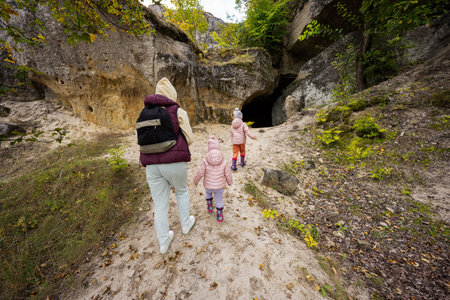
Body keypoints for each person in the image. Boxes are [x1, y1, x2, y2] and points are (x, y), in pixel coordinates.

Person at [139, 77, 196, 254]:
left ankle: (164, 242)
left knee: (160, 204)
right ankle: (185, 224)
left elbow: (139, 140)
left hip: (151, 166)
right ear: (172, 93)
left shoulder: (143, 113)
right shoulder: (177, 110)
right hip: (174, 161)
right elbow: (191, 138)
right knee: (181, 192)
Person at [193, 135, 233, 222]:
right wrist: (229, 182)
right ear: (219, 148)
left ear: (209, 149)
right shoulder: (223, 160)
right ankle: (219, 215)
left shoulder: (205, 160)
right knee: (219, 199)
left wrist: (195, 181)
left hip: (208, 185)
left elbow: (200, 172)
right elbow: (228, 173)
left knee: (208, 193)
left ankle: (210, 205)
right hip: (220, 186)